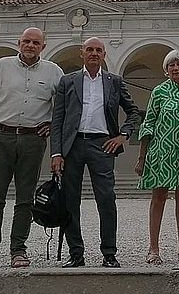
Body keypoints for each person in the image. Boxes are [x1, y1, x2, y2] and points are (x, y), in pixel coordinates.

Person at [0, 27, 63, 268]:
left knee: (26, 198)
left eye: (35, 42)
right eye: (26, 41)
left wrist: (52, 123)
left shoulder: (54, 72)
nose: (30, 46)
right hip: (1, 137)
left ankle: (18, 250)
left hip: (33, 140)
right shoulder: (1, 66)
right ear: (18, 42)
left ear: (44, 46)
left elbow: (64, 106)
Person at [50, 37, 142, 268]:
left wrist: (123, 135)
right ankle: (76, 253)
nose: (94, 53)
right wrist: (56, 153)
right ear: (82, 53)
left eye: (98, 50)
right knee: (71, 200)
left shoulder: (114, 81)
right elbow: (57, 119)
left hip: (102, 144)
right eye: (89, 49)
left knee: (106, 199)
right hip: (73, 145)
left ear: (104, 55)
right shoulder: (67, 81)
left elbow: (133, 112)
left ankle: (109, 253)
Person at [135, 49, 179, 265]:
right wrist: (142, 157)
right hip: (162, 150)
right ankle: (153, 248)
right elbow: (149, 123)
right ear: (166, 70)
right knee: (159, 197)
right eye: (171, 65)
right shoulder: (159, 91)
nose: (175, 68)